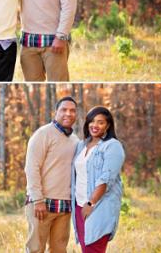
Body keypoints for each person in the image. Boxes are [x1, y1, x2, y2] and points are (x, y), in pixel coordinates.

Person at [24, 96, 80, 253]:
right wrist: (38, 200)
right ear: (56, 112)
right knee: (36, 248)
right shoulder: (43, 134)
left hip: (64, 205)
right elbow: (31, 168)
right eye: (64, 110)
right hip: (42, 203)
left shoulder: (75, 141)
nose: (68, 114)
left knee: (59, 249)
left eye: (72, 111)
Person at [71, 106, 125, 253]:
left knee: (94, 249)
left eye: (100, 122)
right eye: (92, 121)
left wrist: (91, 202)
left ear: (108, 125)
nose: (95, 125)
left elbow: (106, 179)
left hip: (98, 206)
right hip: (79, 207)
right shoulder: (82, 145)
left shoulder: (112, 146)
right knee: (86, 249)